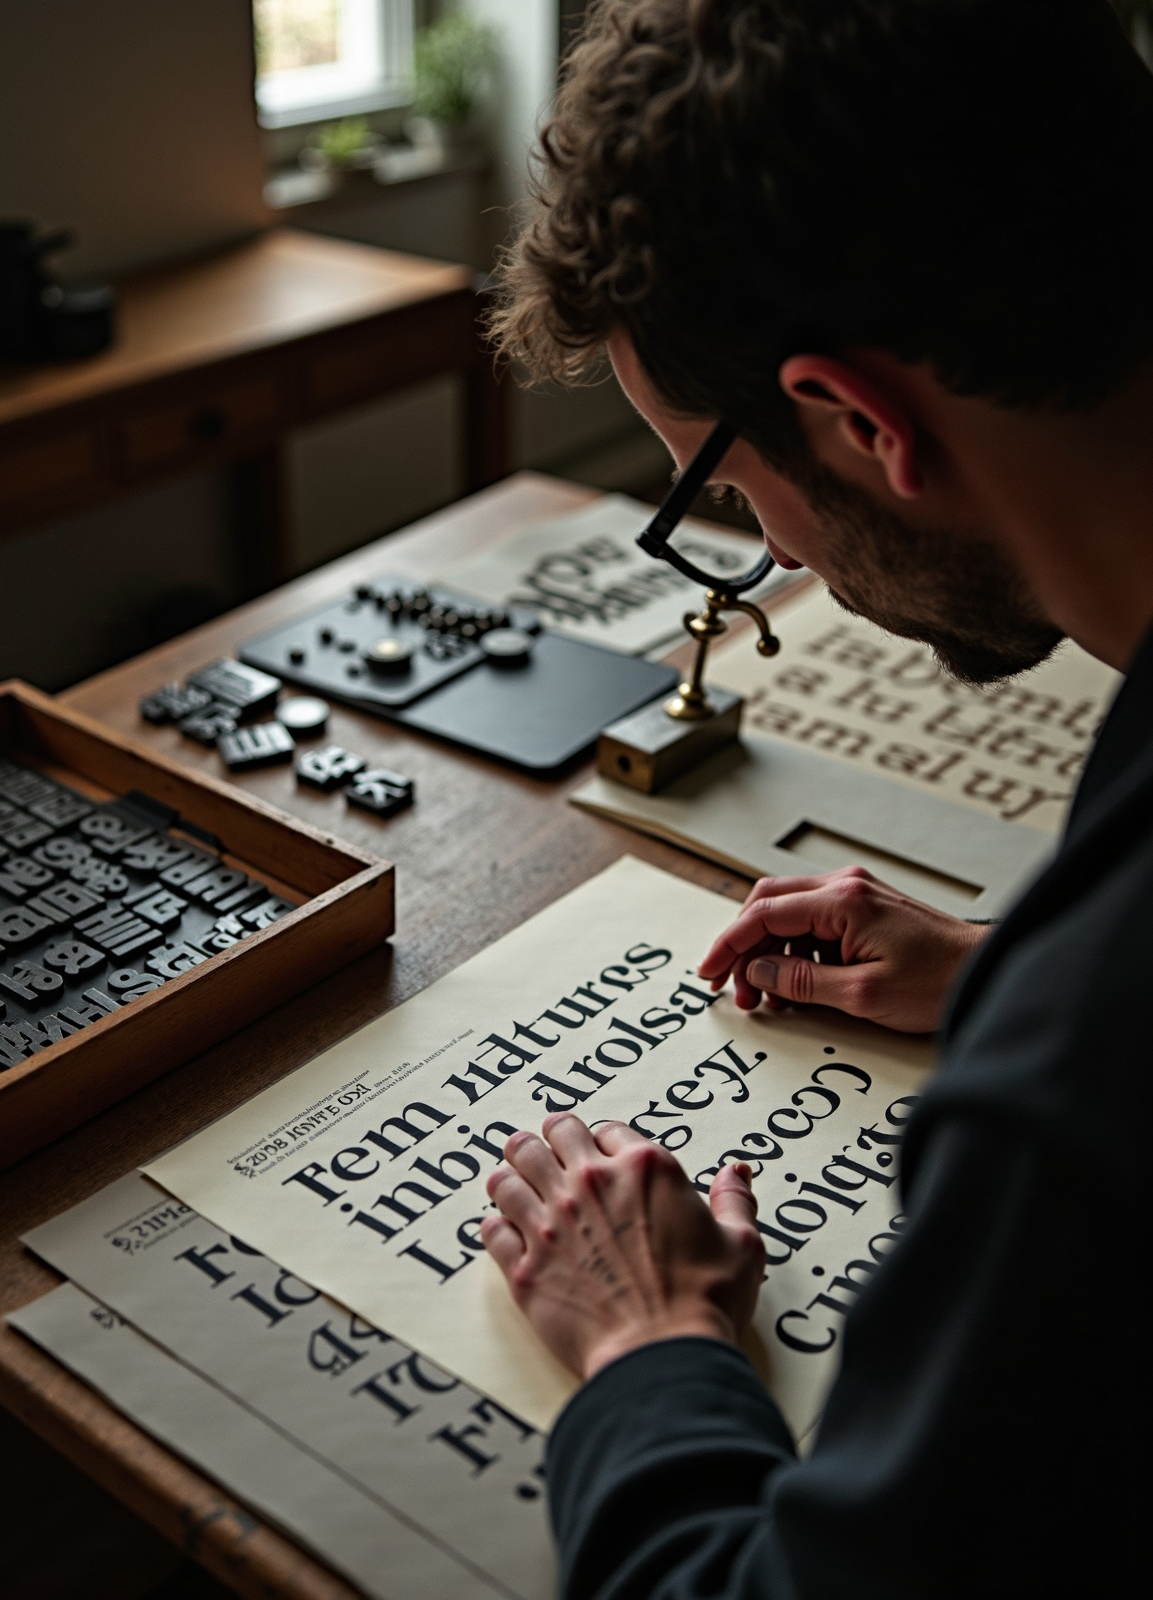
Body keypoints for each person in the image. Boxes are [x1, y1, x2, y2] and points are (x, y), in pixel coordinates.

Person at [479, 1, 1151, 1593]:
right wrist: (1001, 973)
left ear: (858, 419)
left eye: (721, 485)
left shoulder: (1088, 1062)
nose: (773, 551)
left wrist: (649, 1348)